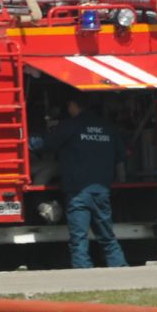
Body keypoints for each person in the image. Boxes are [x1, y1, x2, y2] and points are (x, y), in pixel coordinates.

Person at [36, 96, 127, 268]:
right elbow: (120, 157)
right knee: (107, 236)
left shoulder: (70, 126)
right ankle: (120, 269)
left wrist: (31, 142)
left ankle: (84, 274)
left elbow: (47, 144)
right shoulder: (108, 127)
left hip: (77, 192)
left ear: (73, 105)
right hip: (101, 190)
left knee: (79, 240)